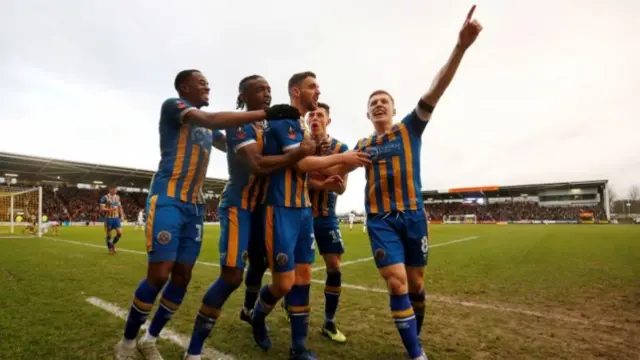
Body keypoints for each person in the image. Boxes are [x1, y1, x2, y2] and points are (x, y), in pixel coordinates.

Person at [112, 69, 301, 360]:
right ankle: (126, 343)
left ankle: (149, 339)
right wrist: (262, 114)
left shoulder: (211, 129)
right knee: (160, 274)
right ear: (184, 86)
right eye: (201, 83)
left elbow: (232, 143)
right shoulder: (173, 107)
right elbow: (214, 119)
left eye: (207, 83)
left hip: (195, 205)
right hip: (168, 199)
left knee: (182, 277)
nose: (207, 87)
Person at [330, 6, 482, 359]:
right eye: (373, 103)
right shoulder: (362, 146)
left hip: (414, 216)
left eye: (384, 101)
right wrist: (334, 183)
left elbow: (437, 87)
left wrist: (460, 47)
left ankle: (415, 337)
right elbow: (338, 179)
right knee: (396, 281)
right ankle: (416, 354)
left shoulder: (410, 127)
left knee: (416, 285)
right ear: (367, 114)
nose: (379, 106)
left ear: (394, 110)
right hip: (381, 221)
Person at [183, 74, 316, 360]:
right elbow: (257, 165)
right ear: (243, 97)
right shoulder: (239, 124)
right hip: (238, 206)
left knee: (261, 264)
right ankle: (194, 350)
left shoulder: (268, 125)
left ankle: (251, 313)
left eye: (268, 89)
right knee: (232, 276)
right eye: (259, 90)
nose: (266, 94)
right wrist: (299, 154)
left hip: (263, 208)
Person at [249, 71, 369, 360]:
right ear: (295, 91)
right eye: (312, 86)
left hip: (304, 212)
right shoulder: (284, 119)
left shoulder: (301, 125)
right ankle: (257, 315)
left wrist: (336, 174)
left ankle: (298, 348)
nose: (317, 91)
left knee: (303, 278)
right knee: (283, 283)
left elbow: (310, 170)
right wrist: (344, 158)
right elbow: (301, 164)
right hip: (280, 210)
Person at [304, 102, 350, 343]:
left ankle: (329, 322)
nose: (315, 118)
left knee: (334, 266)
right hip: (301, 214)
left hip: (327, 216)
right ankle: (295, 312)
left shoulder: (341, 147)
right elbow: (301, 177)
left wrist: (319, 177)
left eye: (320, 115)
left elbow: (341, 187)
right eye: (311, 114)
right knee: (302, 269)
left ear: (328, 120)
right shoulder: (301, 145)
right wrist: (325, 177)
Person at [100, 185, 124, 254]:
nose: (115, 190)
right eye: (113, 189)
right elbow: (102, 208)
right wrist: (110, 209)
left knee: (119, 233)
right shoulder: (104, 198)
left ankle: (112, 244)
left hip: (116, 218)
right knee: (109, 235)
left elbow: (120, 207)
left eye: (116, 189)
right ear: (110, 189)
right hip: (108, 218)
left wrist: (121, 215)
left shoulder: (118, 197)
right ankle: (110, 248)